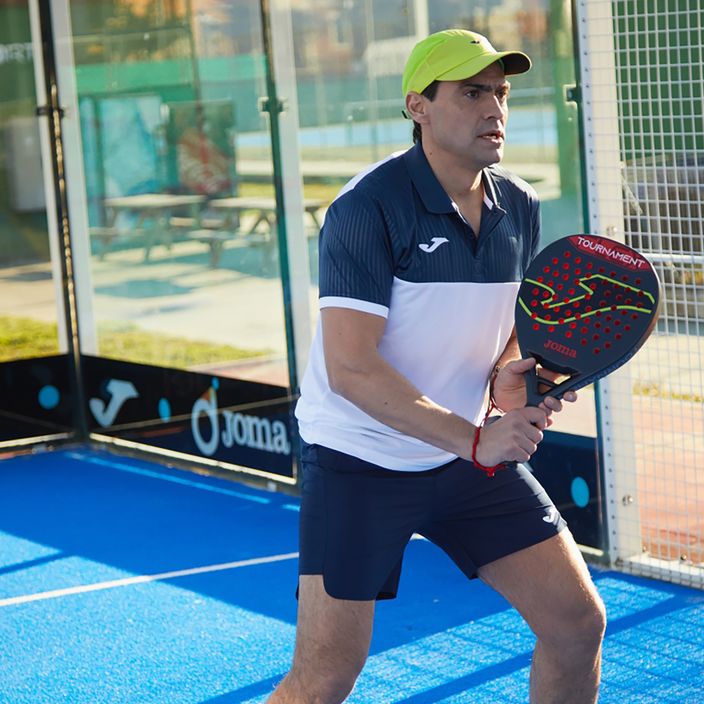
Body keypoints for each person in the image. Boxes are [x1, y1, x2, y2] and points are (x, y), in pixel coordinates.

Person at [267, 28, 606, 704]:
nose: (494, 109)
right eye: (472, 92)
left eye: (502, 93)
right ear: (418, 105)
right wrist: (477, 437)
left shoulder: (521, 207)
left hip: (464, 460)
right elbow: (352, 369)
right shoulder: (365, 209)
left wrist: (506, 376)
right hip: (358, 461)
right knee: (325, 677)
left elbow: (497, 336)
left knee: (577, 625)